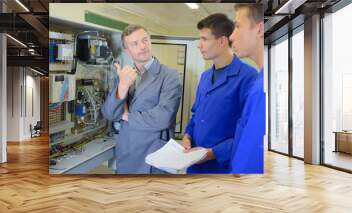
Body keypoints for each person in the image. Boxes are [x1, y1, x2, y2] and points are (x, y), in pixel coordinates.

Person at [182, 13, 258, 173]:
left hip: (223, 168)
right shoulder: (205, 77)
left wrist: (212, 153)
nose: (199, 45)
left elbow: (250, 133)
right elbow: (196, 115)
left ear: (222, 41)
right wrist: (187, 135)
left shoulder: (248, 77)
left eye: (204, 39)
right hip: (195, 165)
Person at [102, 24, 182, 174]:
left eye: (145, 40)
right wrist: (123, 86)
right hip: (127, 152)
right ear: (127, 50)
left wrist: (126, 116)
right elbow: (110, 114)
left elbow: (163, 117)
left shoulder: (169, 76)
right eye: (135, 43)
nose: (142, 46)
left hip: (154, 154)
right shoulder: (124, 76)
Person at [229, 4, 265, 173]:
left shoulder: (264, 87)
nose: (231, 36)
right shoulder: (258, 82)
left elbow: (253, 150)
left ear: (259, 29)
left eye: (237, 26)